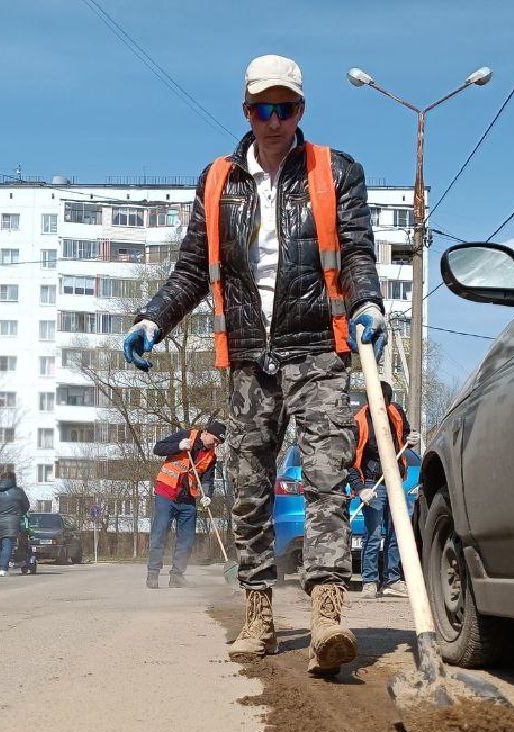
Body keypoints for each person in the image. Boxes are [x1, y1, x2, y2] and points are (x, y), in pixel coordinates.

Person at [122, 54, 387, 677]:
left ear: (301, 111)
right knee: (248, 487)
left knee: (325, 473)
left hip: (318, 344)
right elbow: (191, 269)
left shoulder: (336, 171)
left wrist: (369, 302)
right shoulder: (216, 181)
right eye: (263, 108)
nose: (274, 120)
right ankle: (260, 613)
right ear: (246, 111)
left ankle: (326, 613)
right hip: (247, 354)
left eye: (286, 108)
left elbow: (356, 251)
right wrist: (152, 319)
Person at [146, 420, 225, 589]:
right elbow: (157, 448)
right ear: (206, 432)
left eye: (219, 442)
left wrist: (207, 496)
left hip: (188, 499)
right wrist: (178, 446)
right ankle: (153, 574)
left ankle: (177, 576)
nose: (216, 444)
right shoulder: (185, 436)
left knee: (187, 539)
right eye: (215, 439)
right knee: (159, 534)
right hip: (166, 493)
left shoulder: (212, 456)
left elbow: (207, 480)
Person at [350, 382, 409, 600]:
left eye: (383, 402)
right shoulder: (359, 422)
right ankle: (369, 581)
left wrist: (410, 441)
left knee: (397, 532)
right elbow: (351, 461)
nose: (378, 407)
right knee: (373, 534)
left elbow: (404, 436)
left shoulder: (397, 413)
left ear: (388, 400)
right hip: (372, 483)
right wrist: (360, 489)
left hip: (394, 481)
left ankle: (392, 580)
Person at [0, 467, 29, 576]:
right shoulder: (18, 491)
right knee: (7, 543)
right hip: (12, 520)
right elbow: (26, 506)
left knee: (1, 543)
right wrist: (19, 513)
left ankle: (3, 565)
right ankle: (4, 568)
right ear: (13, 479)